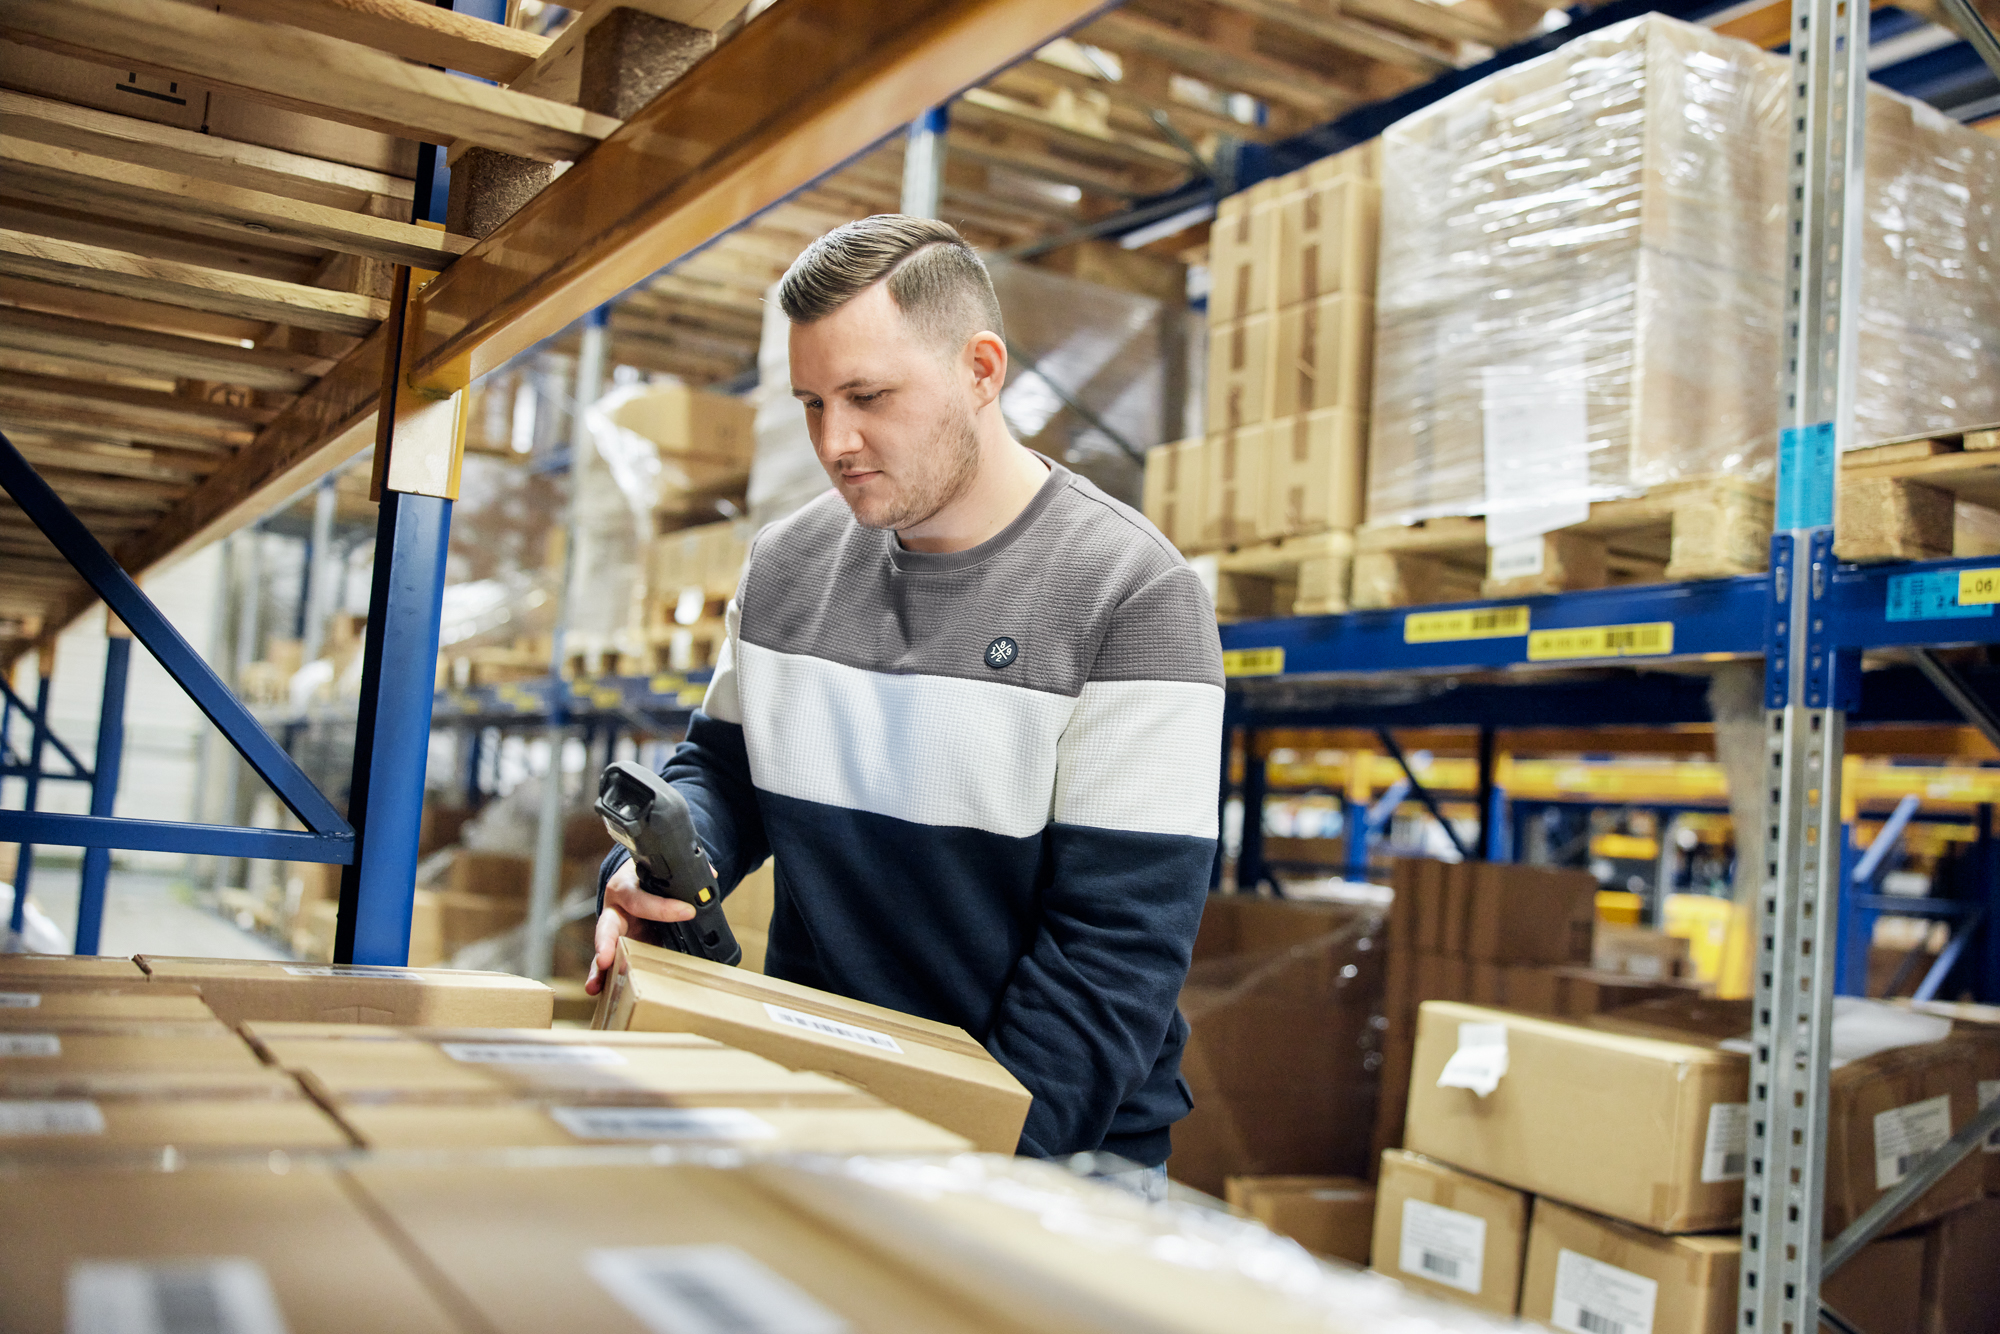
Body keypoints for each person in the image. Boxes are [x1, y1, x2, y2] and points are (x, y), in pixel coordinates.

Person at [588, 214, 1223, 1169]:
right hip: (817, 1107)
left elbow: (1112, 954)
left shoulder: (1133, 597)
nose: (835, 441)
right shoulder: (787, 567)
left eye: (868, 396)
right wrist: (666, 873)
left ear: (980, 370)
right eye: (810, 403)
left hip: (1049, 1158)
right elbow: (723, 769)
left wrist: (967, 1157)